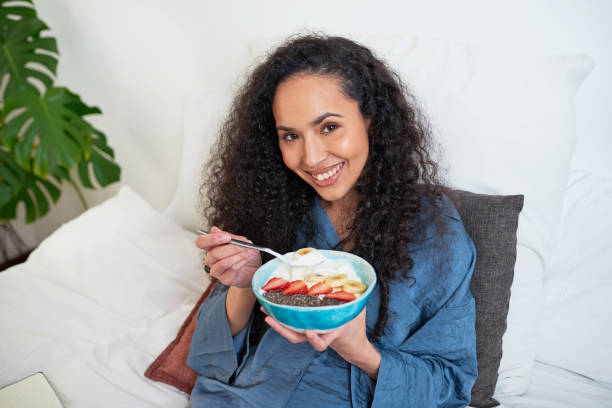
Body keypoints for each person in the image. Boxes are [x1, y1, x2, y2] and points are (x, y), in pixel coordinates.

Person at [187, 33, 477, 407]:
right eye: (291, 136)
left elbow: (452, 386)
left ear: (370, 118)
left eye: (328, 128)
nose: (310, 157)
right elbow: (206, 358)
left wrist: (360, 351)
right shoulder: (272, 206)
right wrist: (246, 284)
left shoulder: (434, 229)